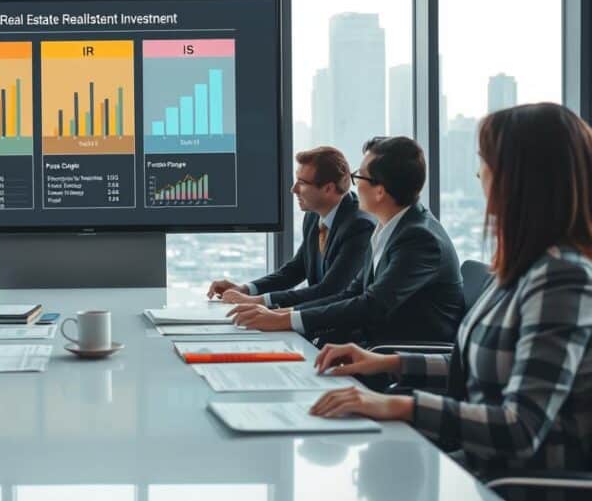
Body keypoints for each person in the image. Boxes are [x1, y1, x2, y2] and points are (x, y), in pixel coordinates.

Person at [310, 103, 592, 479]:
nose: (479, 174)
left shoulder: (563, 278)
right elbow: (480, 367)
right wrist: (388, 362)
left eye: (486, 162)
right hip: (478, 465)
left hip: (510, 482)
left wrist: (399, 405)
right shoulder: (525, 268)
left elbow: (520, 428)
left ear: (521, 178)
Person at [230, 136, 464, 345]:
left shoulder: (419, 239)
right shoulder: (390, 226)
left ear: (379, 191)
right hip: (369, 345)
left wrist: (286, 319)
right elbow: (350, 294)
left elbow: (372, 305)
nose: (353, 184)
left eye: (358, 176)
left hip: (396, 356)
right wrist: (281, 315)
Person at [208, 146, 375, 307]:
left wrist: (260, 302)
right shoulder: (313, 215)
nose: (293, 189)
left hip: (346, 332)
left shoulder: (359, 226)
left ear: (328, 188)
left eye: (302, 182)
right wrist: (245, 290)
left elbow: (330, 291)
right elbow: (296, 269)